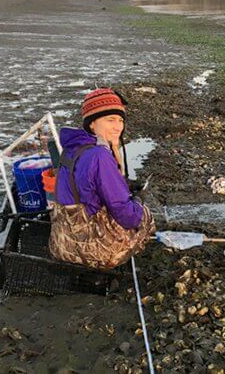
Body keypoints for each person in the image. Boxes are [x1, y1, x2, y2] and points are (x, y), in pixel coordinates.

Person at [49, 88, 156, 270]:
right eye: (110, 120)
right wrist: (138, 200)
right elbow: (127, 216)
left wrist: (123, 182)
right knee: (144, 215)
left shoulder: (74, 147)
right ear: (92, 123)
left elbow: (86, 184)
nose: (118, 127)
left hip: (62, 243)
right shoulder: (100, 155)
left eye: (120, 120)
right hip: (88, 253)